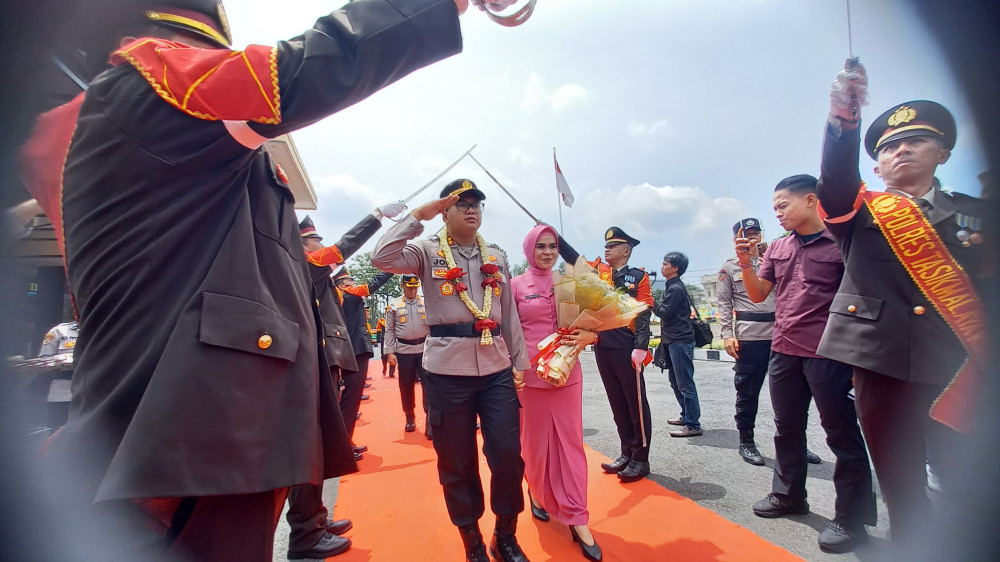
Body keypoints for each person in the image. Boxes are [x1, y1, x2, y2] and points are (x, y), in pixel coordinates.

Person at [39, 1, 466, 559]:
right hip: (191, 430)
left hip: (212, 420)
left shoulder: (136, 125)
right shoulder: (151, 81)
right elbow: (294, 72)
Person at [816, 62, 992, 550]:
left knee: (964, 474)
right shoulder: (858, 212)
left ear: (943, 152)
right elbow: (833, 179)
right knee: (900, 477)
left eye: (916, 141)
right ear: (876, 166)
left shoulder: (976, 215)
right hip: (881, 361)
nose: (902, 150)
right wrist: (844, 118)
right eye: (890, 146)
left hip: (956, 365)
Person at [372, 179, 531, 562]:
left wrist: (520, 364)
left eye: (477, 203)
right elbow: (381, 258)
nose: (472, 209)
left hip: (495, 369)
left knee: (508, 454)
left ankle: (504, 535)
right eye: (462, 204)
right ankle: (472, 540)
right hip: (446, 373)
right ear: (445, 211)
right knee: (457, 460)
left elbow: (508, 315)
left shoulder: (495, 255)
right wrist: (417, 217)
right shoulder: (426, 252)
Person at [737, 174, 876, 553]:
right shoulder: (779, 247)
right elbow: (758, 294)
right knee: (786, 428)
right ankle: (789, 496)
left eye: (783, 205)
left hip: (829, 352)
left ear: (812, 200)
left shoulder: (842, 241)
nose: (777, 213)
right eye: (775, 207)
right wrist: (747, 263)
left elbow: (863, 298)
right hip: (783, 349)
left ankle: (851, 518)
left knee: (841, 434)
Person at [289, 211, 399, 559]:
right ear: (302, 244)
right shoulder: (304, 263)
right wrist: (377, 217)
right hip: (316, 361)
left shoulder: (315, 273)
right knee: (310, 449)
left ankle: (314, 520)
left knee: (317, 449)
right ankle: (306, 535)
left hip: (327, 359)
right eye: (315, 241)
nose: (322, 247)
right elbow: (343, 247)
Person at [511, 225, 602, 561]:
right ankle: (536, 492)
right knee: (533, 446)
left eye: (552, 246)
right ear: (529, 250)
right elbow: (510, 332)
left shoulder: (569, 283)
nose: (547, 252)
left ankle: (578, 518)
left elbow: (594, 323)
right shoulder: (516, 286)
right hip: (530, 379)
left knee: (571, 446)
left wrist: (591, 337)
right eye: (541, 246)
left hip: (567, 376)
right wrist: (513, 367)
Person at [718, 220, 824, 467]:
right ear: (737, 239)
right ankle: (747, 441)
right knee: (747, 392)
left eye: (756, 233)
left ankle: (797, 443)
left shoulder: (776, 259)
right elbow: (724, 303)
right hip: (750, 335)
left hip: (782, 333)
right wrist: (727, 334)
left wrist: (769, 256)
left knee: (792, 394)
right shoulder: (730, 267)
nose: (752, 239)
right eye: (747, 235)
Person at [588, 227, 655, 482]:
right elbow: (573, 260)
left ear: (626, 251)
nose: (607, 249)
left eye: (613, 246)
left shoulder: (638, 277)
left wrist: (641, 346)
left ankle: (641, 458)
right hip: (603, 344)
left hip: (627, 346)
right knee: (617, 402)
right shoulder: (599, 273)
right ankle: (626, 452)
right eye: (606, 246)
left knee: (635, 403)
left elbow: (643, 314)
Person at [334, 266, 395, 450]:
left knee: (347, 399)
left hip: (346, 350)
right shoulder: (348, 296)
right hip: (355, 351)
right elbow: (374, 283)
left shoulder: (338, 298)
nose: (354, 284)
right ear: (343, 286)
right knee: (349, 400)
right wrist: (391, 265)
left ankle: (344, 443)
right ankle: (343, 446)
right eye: (350, 281)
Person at [654, 251, 702, 438]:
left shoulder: (675, 288)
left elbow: (665, 312)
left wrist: (650, 301)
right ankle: (686, 415)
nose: (662, 267)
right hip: (673, 339)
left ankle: (693, 424)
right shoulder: (672, 286)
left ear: (675, 268)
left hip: (680, 340)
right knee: (676, 382)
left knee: (685, 383)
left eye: (665, 264)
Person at [383, 274, 432, 437]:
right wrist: (389, 352)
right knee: (406, 386)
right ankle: (409, 416)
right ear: (402, 286)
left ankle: (430, 421)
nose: (413, 290)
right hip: (404, 351)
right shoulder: (394, 305)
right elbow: (389, 330)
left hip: (425, 350)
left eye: (415, 287)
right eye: (409, 287)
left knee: (429, 386)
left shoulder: (426, 302)